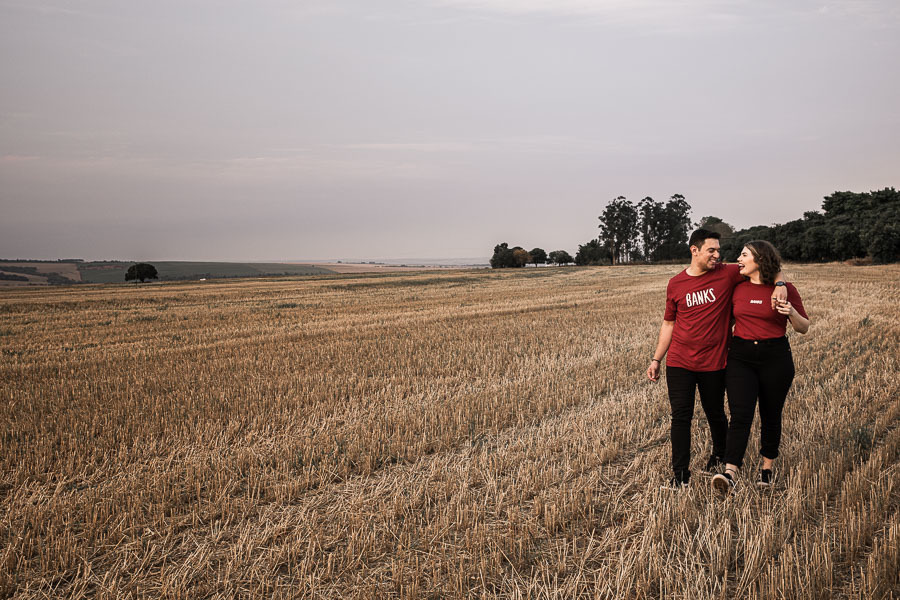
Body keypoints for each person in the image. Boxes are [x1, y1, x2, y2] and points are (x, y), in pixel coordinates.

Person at [648, 230, 788, 489]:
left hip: (714, 361)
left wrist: (780, 285)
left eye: (718, 250)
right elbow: (669, 323)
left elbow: (770, 266)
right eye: (711, 250)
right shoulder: (676, 283)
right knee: (680, 416)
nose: (717, 255)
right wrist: (657, 359)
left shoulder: (727, 273)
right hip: (679, 361)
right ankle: (680, 476)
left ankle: (720, 456)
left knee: (715, 413)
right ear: (694, 250)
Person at [712, 241, 809, 494]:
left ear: (760, 260)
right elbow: (727, 321)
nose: (738, 259)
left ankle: (766, 470)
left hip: (775, 358)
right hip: (741, 357)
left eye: (744, 255)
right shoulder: (737, 288)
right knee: (740, 414)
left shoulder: (785, 290)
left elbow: (803, 327)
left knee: (771, 414)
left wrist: (790, 312)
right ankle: (730, 472)